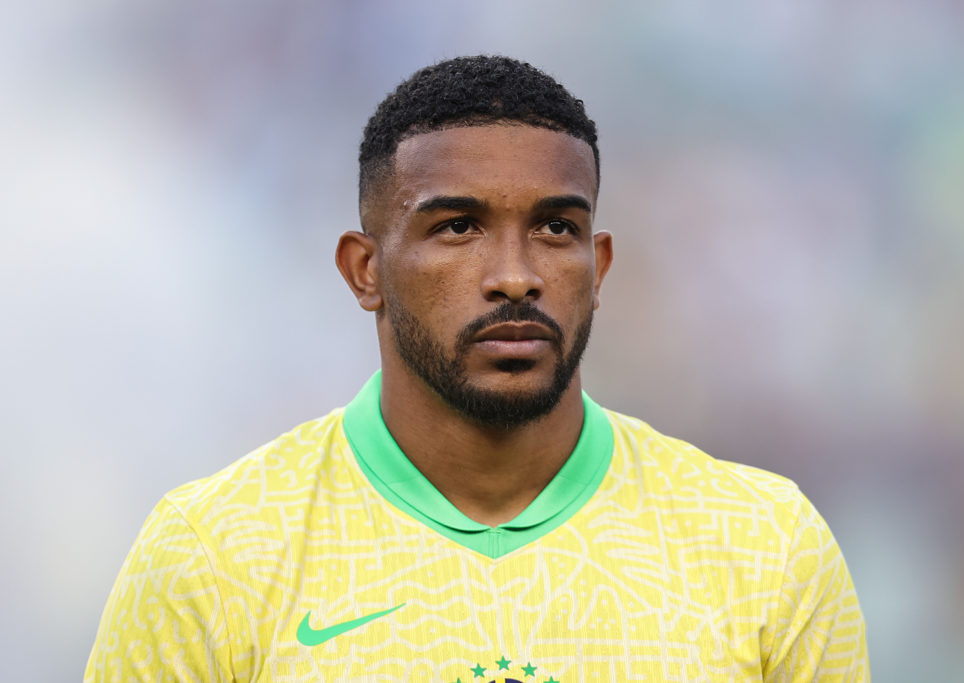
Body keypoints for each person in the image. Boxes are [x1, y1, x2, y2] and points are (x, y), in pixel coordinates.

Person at [86, 55, 869, 682]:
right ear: (365, 271)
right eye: (458, 226)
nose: (516, 274)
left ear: (597, 268)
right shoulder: (214, 552)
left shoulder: (764, 543)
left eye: (556, 227)